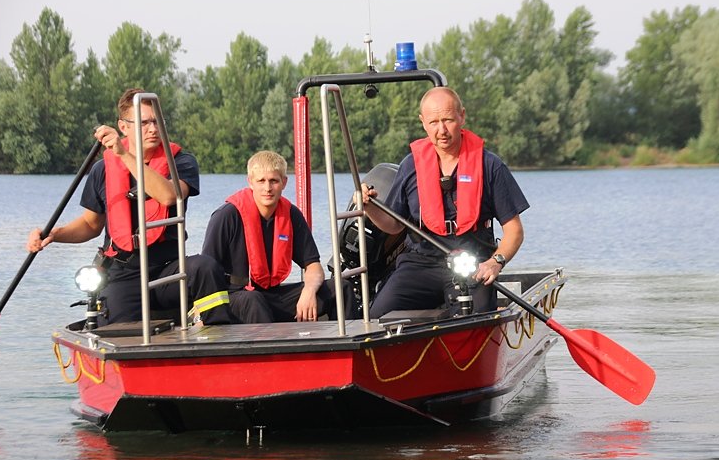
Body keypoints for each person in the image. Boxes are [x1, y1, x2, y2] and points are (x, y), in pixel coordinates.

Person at [26, 88, 233, 326]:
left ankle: (217, 340)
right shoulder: (102, 170)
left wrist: (124, 154)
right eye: (144, 123)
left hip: (168, 271)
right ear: (123, 127)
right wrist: (53, 234)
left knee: (206, 267)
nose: (154, 129)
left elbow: (168, 196)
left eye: (157, 121)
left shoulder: (182, 161)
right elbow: (90, 225)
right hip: (123, 272)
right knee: (114, 332)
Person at [362, 86, 529, 317]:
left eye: (448, 120)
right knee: (375, 318)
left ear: (462, 116)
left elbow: (514, 231)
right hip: (420, 264)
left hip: (473, 265)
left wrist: (496, 262)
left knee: (477, 321)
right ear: (423, 122)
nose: (442, 130)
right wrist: (368, 207)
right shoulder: (411, 166)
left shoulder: (490, 166)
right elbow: (394, 225)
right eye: (434, 122)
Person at [201, 150, 359, 323]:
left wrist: (309, 291)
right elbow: (205, 272)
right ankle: (272, 350)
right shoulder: (227, 216)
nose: (267, 188)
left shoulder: (291, 215)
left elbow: (313, 266)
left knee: (340, 287)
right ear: (250, 182)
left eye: (274, 181)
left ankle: (345, 345)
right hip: (234, 298)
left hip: (273, 296)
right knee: (253, 299)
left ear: (284, 182)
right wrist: (204, 317)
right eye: (261, 181)